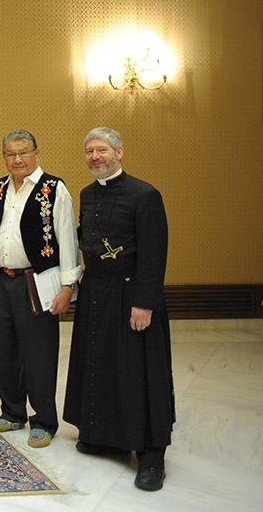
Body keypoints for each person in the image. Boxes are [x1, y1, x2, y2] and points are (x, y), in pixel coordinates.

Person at [63, 127, 173, 491]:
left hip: (132, 296)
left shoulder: (145, 194)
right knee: (102, 363)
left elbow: (154, 255)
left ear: (119, 152)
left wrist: (144, 303)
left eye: (103, 150)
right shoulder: (87, 193)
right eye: (90, 151)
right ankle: (107, 436)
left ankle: (151, 455)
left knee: (137, 370)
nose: (96, 157)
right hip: (97, 293)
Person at [0, 130, 82, 448]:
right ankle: (12, 412)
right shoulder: (0, 187)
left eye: (23, 152)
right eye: (11, 154)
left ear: (36, 153)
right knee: (4, 350)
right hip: (1, 280)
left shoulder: (53, 189)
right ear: (3, 156)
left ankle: (44, 420)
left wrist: (68, 287)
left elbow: (67, 239)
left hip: (36, 281)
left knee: (39, 352)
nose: (17, 159)